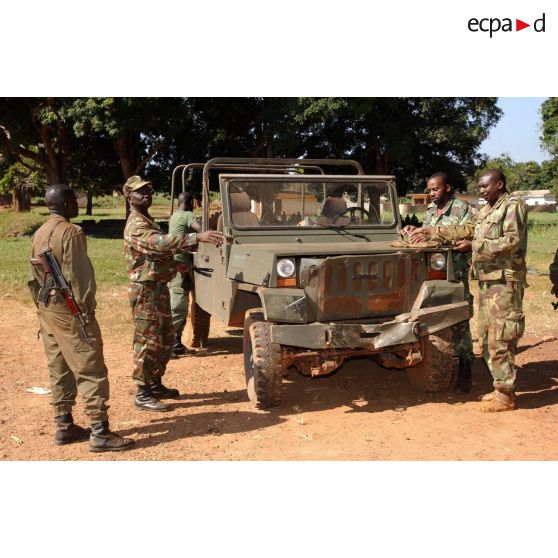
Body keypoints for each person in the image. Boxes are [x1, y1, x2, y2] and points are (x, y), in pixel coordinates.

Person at [408, 169, 527, 412]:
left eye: (485, 186)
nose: (481, 190)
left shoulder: (512, 206)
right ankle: (500, 389)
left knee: (501, 336)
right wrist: (430, 231)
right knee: (484, 338)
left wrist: (474, 246)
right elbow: (467, 229)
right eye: (480, 186)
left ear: (500, 185)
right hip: (487, 280)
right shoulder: (487, 209)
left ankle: (506, 396)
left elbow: (512, 241)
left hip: (504, 281)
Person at [28, 184, 134, 451]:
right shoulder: (71, 232)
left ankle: (64, 425)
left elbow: (34, 278)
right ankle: (100, 432)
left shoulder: (39, 232)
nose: (77, 203)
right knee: (90, 365)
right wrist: (84, 312)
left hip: (47, 308)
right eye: (74, 200)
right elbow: (80, 277)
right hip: (69, 309)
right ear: (64, 203)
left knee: (59, 364)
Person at [123, 176, 223, 412]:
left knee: (165, 338)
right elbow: (158, 243)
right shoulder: (136, 224)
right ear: (130, 198)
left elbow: (153, 255)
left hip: (157, 286)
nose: (146, 194)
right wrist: (196, 236)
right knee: (148, 341)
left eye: (148, 190)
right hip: (146, 290)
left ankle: (155, 383)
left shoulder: (146, 219)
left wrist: (173, 266)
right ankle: (143, 393)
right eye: (140, 192)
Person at [402, 172, 476, 393]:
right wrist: (412, 232)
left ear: (448, 188)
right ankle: (438, 360)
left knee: (460, 320)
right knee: (434, 318)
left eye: (436, 189)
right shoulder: (431, 211)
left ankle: (465, 367)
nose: (432, 193)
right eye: (430, 189)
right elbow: (427, 239)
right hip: (433, 273)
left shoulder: (462, 209)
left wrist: (432, 233)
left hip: (456, 272)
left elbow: (470, 231)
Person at [168, 192, 202, 357]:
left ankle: (176, 345)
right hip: (180, 267)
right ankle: (170, 346)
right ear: (190, 202)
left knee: (178, 305)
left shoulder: (174, 216)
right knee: (178, 306)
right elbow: (200, 230)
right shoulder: (188, 215)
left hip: (174, 265)